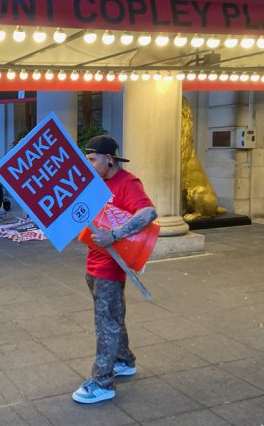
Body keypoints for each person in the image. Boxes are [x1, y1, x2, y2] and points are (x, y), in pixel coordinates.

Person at [72, 135, 157, 404]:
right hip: (95, 263)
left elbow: (148, 213)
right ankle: (125, 360)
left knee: (105, 324)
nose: (89, 165)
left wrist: (116, 235)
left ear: (110, 159)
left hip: (110, 268)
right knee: (113, 317)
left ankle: (102, 382)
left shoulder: (127, 183)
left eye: (92, 160)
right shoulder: (99, 183)